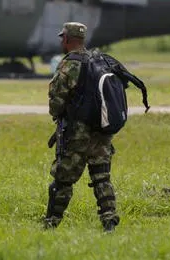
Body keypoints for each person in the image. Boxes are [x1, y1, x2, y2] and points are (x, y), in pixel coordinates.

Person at [44, 22, 121, 232]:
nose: (61, 41)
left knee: (63, 180)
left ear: (67, 39)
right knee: (102, 178)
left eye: (63, 38)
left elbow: (57, 100)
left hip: (77, 134)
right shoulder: (98, 61)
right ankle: (109, 222)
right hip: (102, 132)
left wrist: (59, 114)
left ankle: (51, 223)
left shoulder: (70, 64)